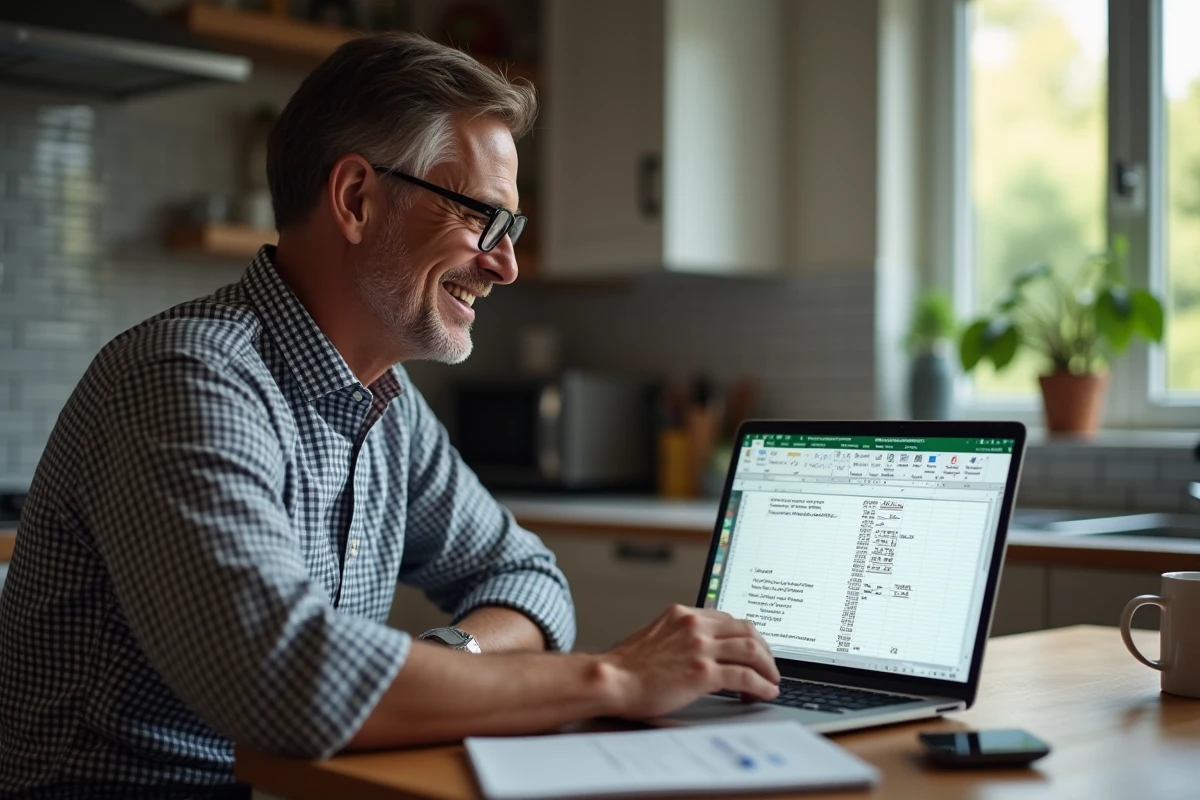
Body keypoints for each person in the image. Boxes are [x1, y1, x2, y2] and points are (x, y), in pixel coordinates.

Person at [0, 33, 779, 799]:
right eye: (484, 217)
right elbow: (292, 685)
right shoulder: (188, 379)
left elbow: (530, 580)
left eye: (512, 229)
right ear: (356, 199)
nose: (505, 263)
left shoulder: (390, 407)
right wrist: (616, 677)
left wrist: (446, 656)